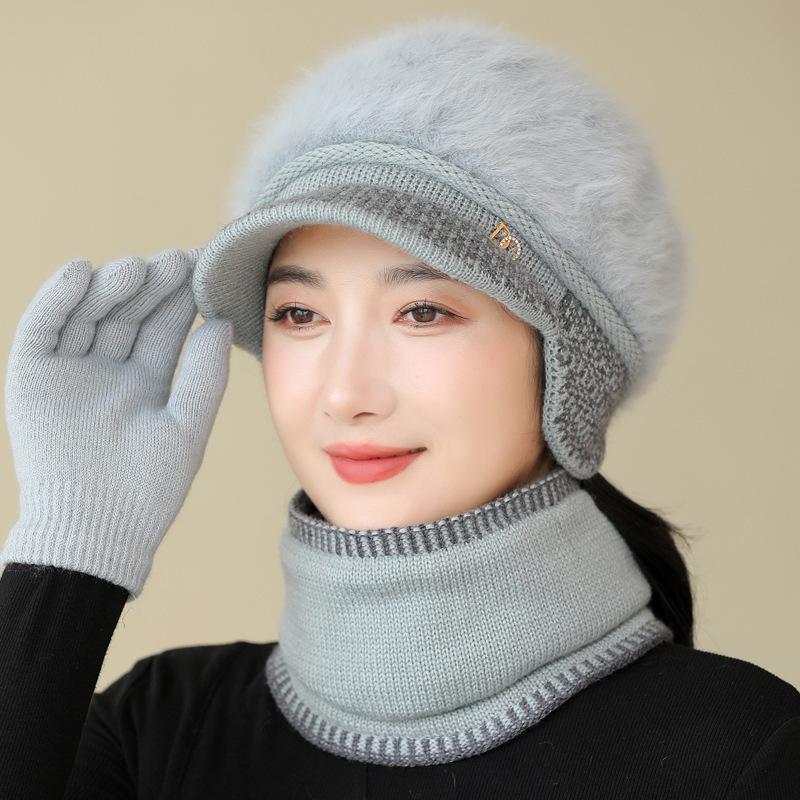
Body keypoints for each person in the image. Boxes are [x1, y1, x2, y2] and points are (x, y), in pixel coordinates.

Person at [1, 16, 798, 800]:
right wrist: (68, 556)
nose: (346, 394)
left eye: (422, 312)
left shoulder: (743, 750)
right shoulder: (159, 731)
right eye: (299, 315)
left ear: (567, 367)